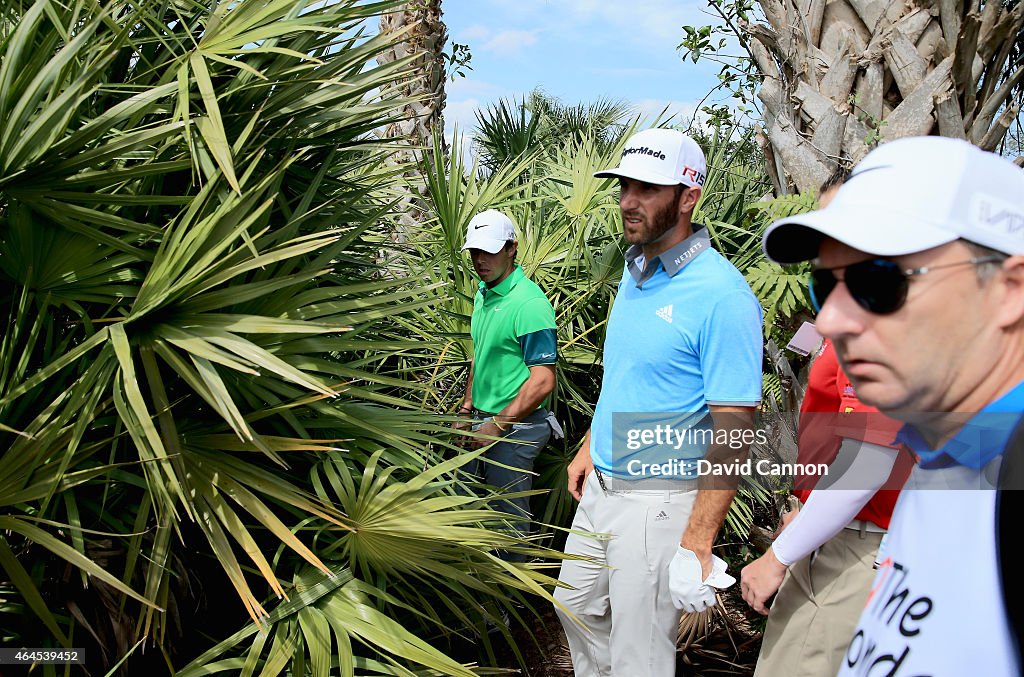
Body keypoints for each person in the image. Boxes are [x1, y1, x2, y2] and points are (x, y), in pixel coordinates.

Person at [761, 135, 1024, 675]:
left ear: (1009, 290)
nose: (831, 319)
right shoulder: (946, 461)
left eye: (878, 282)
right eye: (823, 285)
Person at [552, 128, 764, 676]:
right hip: (603, 484)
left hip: (659, 500)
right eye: (624, 186)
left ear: (688, 197)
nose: (627, 201)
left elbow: (736, 426)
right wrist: (591, 444)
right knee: (573, 607)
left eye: (647, 188)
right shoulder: (636, 268)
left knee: (639, 657)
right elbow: (628, 375)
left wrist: (698, 539)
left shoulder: (723, 297)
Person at [741, 175, 915, 677]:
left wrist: (777, 557)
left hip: (861, 543)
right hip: (833, 531)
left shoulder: (884, 331)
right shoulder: (852, 318)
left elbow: (865, 465)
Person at [455, 209, 559, 547]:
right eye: (475, 251)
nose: (480, 259)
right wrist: (467, 408)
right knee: (464, 508)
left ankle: (511, 595)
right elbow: (481, 354)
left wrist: (496, 425)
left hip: (517, 427)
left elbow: (543, 380)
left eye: (489, 250)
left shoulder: (529, 303)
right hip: (482, 419)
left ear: (512, 248)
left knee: (506, 517)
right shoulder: (483, 294)